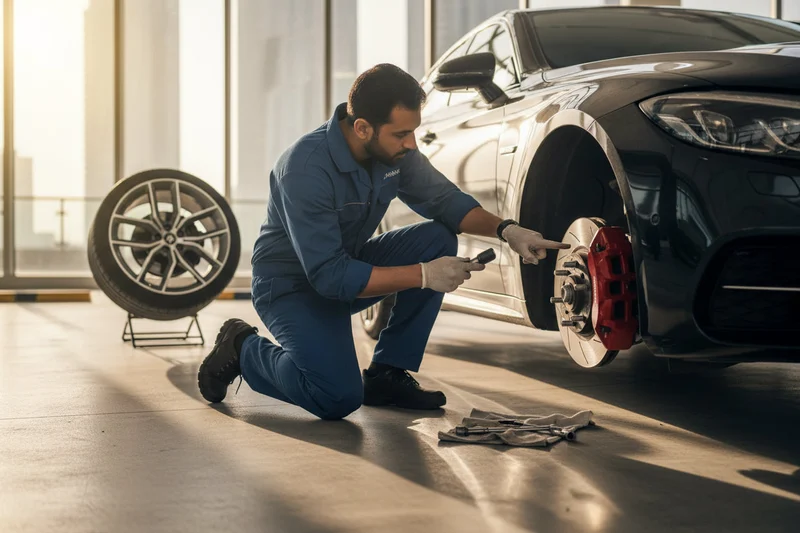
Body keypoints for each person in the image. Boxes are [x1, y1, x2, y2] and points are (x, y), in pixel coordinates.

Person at [197, 64, 568, 420]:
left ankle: (387, 374)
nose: (411, 143)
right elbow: (329, 277)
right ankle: (242, 347)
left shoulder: (392, 151)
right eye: (401, 134)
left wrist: (509, 231)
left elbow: (444, 201)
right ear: (362, 127)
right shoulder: (304, 169)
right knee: (336, 397)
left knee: (438, 237)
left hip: (348, 268)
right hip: (291, 289)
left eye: (413, 132)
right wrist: (423, 275)